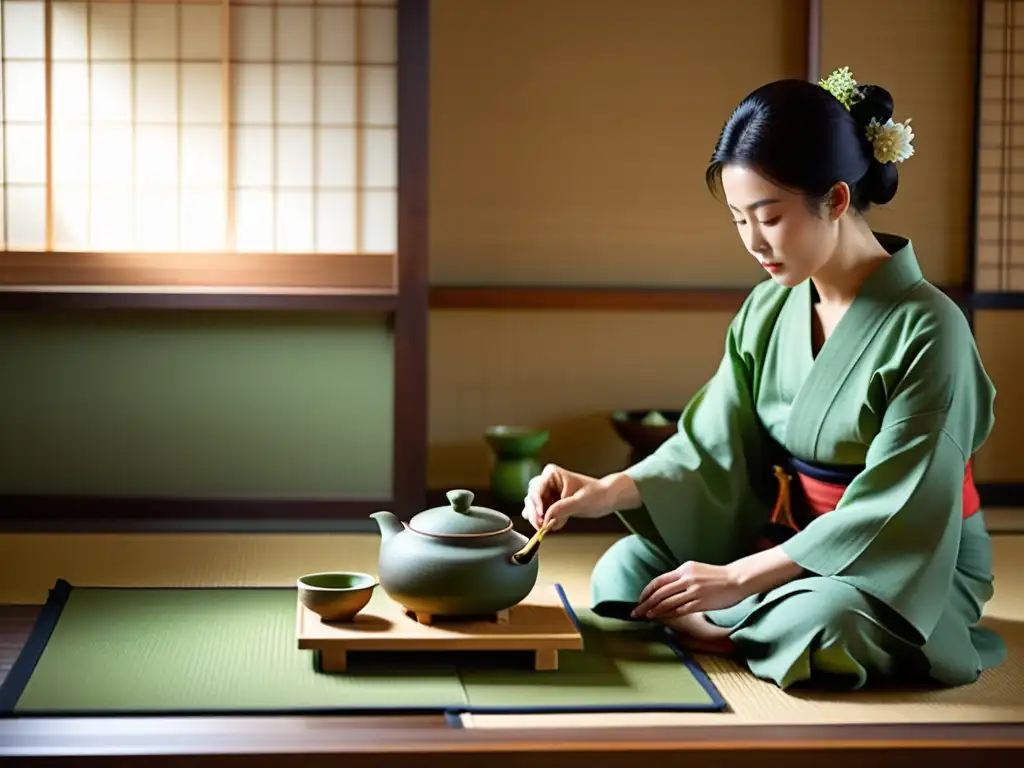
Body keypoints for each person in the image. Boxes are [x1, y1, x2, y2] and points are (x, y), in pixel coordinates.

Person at [522, 67, 1006, 691]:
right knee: (626, 568)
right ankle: (741, 621)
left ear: (834, 199)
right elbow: (712, 444)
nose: (754, 242)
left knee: (829, 624)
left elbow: (899, 507)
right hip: (787, 535)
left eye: (769, 217)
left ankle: (722, 626)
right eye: (738, 220)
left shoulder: (930, 329)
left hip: (904, 559)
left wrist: (742, 577)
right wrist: (605, 490)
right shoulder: (769, 307)